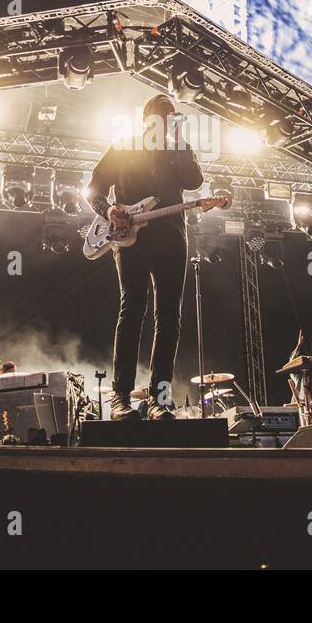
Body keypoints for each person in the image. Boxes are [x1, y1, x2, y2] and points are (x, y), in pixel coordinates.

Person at [86, 93, 204, 420]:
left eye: (172, 115)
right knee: (132, 309)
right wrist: (107, 209)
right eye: (161, 113)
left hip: (172, 239)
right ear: (146, 118)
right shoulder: (123, 146)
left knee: (169, 319)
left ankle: (159, 399)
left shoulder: (176, 151)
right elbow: (94, 188)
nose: (167, 119)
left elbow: (195, 181)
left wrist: (180, 142)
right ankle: (120, 398)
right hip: (130, 239)